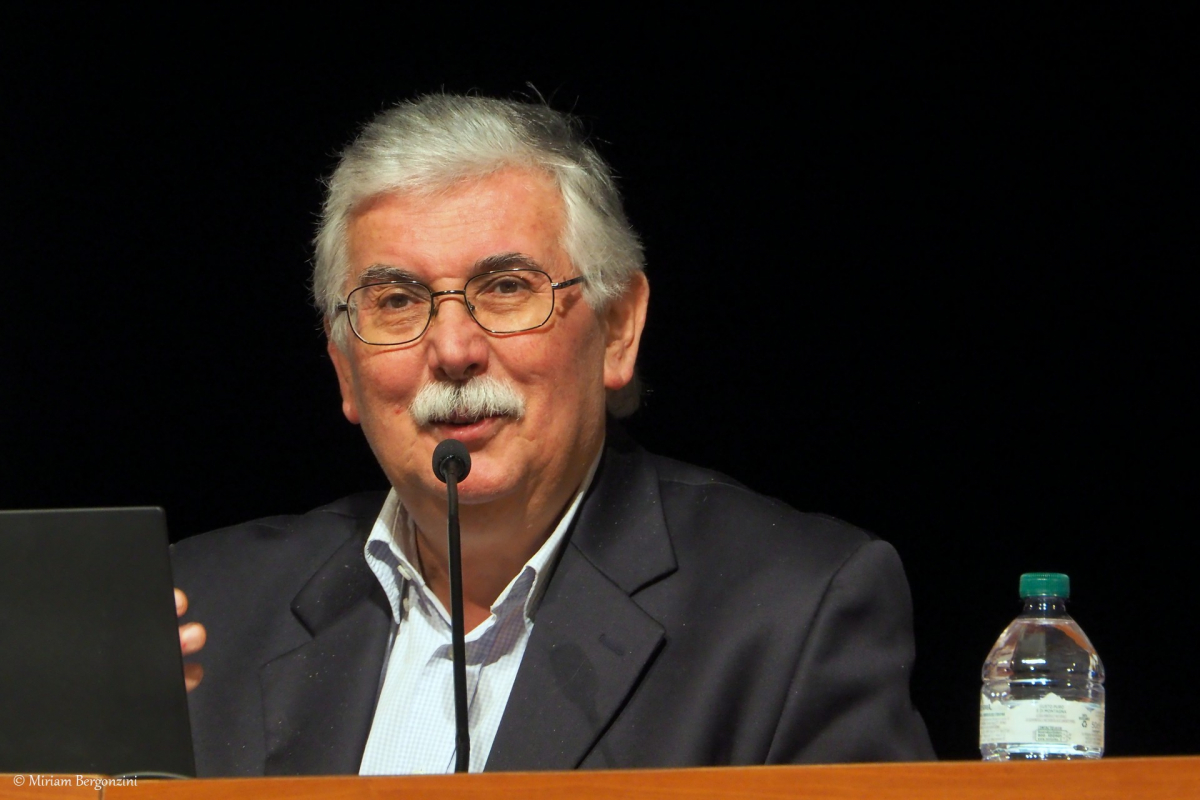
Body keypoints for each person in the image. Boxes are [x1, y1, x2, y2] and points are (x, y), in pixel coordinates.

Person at [171, 94, 935, 776]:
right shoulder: (199, 614)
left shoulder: (790, 612)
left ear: (618, 329)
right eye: (397, 300)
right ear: (344, 367)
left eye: (506, 288)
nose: (453, 349)